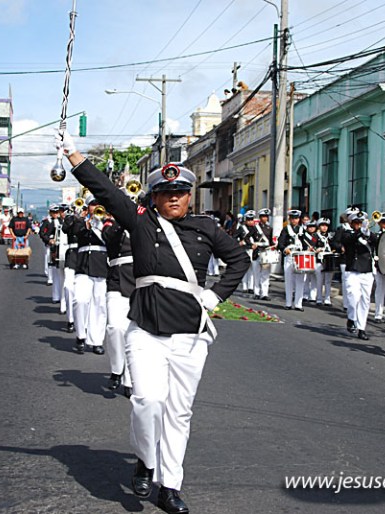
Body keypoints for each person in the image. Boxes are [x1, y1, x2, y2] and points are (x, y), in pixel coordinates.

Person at [63, 130, 250, 514]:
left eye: (180, 191)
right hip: (146, 330)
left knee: (179, 413)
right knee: (147, 401)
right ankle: (146, 460)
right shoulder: (142, 222)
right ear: (155, 197)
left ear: (189, 194)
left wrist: (215, 297)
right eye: (166, 193)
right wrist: (73, 155)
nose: (174, 198)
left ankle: (170, 485)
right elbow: (105, 192)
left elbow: (240, 261)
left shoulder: (207, 228)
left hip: (190, 336)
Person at [67, 194, 109, 355]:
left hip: (101, 265)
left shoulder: (108, 222)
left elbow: (111, 238)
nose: (96, 207)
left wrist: (102, 224)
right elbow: (73, 231)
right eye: (93, 204)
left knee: (100, 304)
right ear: (88, 207)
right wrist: (86, 222)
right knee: (80, 300)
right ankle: (80, 335)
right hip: (83, 265)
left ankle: (97, 340)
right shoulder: (82, 222)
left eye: (99, 204)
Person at [103, 208, 134, 396]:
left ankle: (130, 379)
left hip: (140, 282)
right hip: (116, 279)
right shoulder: (112, 224)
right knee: (115, 327)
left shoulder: (145, 224)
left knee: (134, 333)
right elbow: (108, 237)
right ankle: (116, 369)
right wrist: (123, 220)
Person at [340, 210, 378, 340]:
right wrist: (360, 232)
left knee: (365, 300)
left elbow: (378, 242)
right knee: (353, 297)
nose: (359, 224)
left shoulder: (369, 235)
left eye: (361, 222)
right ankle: (351, 317)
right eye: (356, 222)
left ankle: (362, 328)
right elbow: (347, 240)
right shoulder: (347, 234)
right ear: (351, 223)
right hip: (352, 270)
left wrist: (368, 233)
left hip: (367, 270)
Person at [277, 209, 306, 311]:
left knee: (300, 281)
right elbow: (280, 243)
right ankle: (288, 303)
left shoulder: (302, 230)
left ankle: (298, 304)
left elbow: (306, 243)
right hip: (290, 256)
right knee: (289, 280)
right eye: (293, 218)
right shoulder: (286, 230)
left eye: (297, 218)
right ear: (289, 219)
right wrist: (285, 249)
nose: (295, 220)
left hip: (300, 256)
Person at [61, 203, 82, 332]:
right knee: (68, 287)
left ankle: (82, 321)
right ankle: (71, 319)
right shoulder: (70, 220)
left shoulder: (93, 220)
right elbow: (65, 229)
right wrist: (75, 217)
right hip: (72, 254)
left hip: (85, 257)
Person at [40, 205, 64, 301]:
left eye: (56, 212)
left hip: (61, 246)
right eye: (53, 212)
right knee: (51, 265)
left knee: (60, 271)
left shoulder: (62, 221)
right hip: (51, 245)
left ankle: (61, 296)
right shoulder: (47, 221)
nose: (55, 214)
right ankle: (50, 280)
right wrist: (48, 240)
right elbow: (42, 233)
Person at [249, 208, 273, 300]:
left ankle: (264, 293)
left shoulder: (269, 229)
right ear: (260, 217)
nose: (265, 218)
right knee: (256, 273)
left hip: (266, 253)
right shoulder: (255, 228)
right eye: (263, 216)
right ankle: (256, 292)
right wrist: (252, 244)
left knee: (265, 274)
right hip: (257, 253)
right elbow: (247, 238)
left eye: (266, 217)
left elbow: (270, 241)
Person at [310, 218, 334, 306]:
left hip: (328, 260)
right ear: (319, 227)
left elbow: (334, 245)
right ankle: (319, 298)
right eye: (322, 226)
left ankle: (327, 299)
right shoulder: (315, 235)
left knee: (328, 281)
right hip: (319, 260)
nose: (324, 228)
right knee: (319, 280)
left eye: (326, 226)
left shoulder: (330, 236)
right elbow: (312, 246)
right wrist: (316, 250)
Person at [234, 210, 255, 294]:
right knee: (245, 268)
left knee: (252, 269)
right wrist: (239, 242)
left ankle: (251, 287)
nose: (250, 221)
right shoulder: (241, 228)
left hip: (252, 250)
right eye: (248, 220)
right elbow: (234, 237)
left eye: (251, 220)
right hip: (244, 249)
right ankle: (245, 286)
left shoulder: (255, 229)